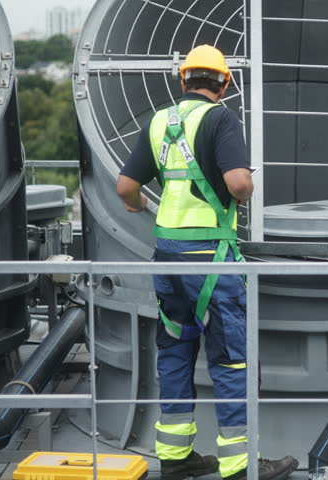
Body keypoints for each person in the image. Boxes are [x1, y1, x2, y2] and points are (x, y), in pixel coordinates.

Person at [117, 44, 298, 480]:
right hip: (212, 260)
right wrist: (245, 188)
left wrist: (141, 206)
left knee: (175, 353)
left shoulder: (161, 121)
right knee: (232, 360)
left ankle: (175, 459)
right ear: (224, 84)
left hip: (167, 260)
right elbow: (238, 183)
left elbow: (125, 185)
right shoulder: (220, 118)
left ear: (184, 81)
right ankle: (238, 465)